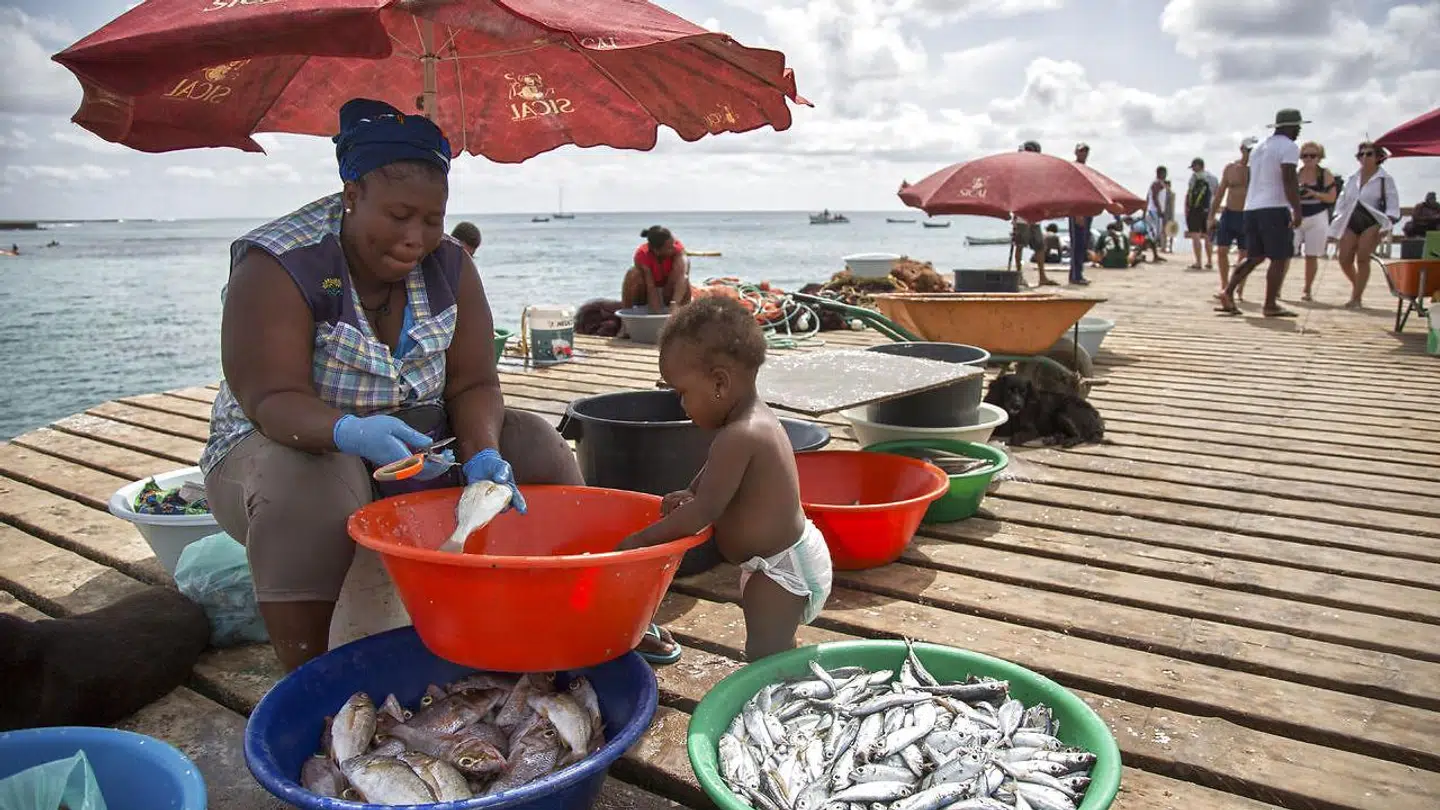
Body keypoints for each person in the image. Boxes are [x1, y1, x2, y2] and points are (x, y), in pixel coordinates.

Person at [199, 98, 588, 673]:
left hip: (417, 452)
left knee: (534, 442)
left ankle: (580, 614)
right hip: (285, 448)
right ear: (352, 193)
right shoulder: (280, 263)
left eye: (432, 219)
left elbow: (475, 383)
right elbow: (271, 398)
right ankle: (313, 676)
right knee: (311, 482)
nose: (415, 237)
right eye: (399, 215)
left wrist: (483, 453)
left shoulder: (450, 265)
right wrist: (348, 432)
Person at [618, 298, 832, 662]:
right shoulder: (746, 424)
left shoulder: (742, 433)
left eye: (682, 393)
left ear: (719, 382)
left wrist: (638, 542)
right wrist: (692, 489)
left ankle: (783, 682)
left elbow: (704, 512)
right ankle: (786, 664)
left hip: (782, 570)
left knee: (764, 653)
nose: (681, 405)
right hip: (774, 561)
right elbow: (713, 476)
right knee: (773, 645)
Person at [1216, 109, 1307, 318]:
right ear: (1289, 127)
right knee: (1279, 257)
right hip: (1274, 207)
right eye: (1297, 126)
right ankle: (1270, 304)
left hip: (1252, 208)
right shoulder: (1289, 147)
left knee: (1254, 256)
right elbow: (1289, 179)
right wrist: (1297, 209)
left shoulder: (1258, 148)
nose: (1299, 130)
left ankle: (1228, 291)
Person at [1328, 141, 1401, 309]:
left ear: (1378, 157)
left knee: (1362, 258)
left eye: (1369, 154)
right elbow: (1342, 200)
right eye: (1361, 154)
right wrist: (1337, 218)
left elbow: (1393, 203)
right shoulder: (1352, 178)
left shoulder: (1385, 179)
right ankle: (1357, 285)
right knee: (1344, 258)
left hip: (1373, 221)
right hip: (1350, 219)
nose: (1365, 157)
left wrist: (1387, 224)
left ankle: (1356, 298)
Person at [1209, 137, 1257, 298]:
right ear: (1242, 149)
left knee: (1245, 254)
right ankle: (1224, 286)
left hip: (1248, 214)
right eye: (1248, 150)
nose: (1250, 154)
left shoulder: (1259, 170)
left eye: (1253, 151)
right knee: (1222, 250)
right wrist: (1211, 216)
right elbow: (1220, 192)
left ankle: (1238, 288)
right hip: (1230, 213)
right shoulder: (1231, 168)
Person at [1294, 142, 1340, 301]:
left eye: (1312, 156)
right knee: (1286, 252)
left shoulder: (1325, 174)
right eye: (1304, 155)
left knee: (1311, 255)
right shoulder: (1296, 174)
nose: (1308, 159)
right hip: (1297, 215)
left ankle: (1307, 289)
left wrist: (1314, 193)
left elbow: (1332, 197)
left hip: (1317, 215)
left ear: (1319, 157)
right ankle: (1277, 288)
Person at [623, 226, 692, 313]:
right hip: (648, 293)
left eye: (673, 244)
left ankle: (684, 313)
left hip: (669, 292)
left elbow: (682, 276)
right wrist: (657, 313)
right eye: (669, 248)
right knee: (633, 273)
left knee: (685, 270)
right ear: (656, 250)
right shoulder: (642, 254)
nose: (674, 248)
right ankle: (626, 313)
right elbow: (651, 286)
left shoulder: (676, 247)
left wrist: (674, 303)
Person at [1185, 158, 1218, 270]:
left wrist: (1188, 210)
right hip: (1208, 210)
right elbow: (1217, 194)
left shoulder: (1194, 178)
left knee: (1195, 236)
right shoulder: (1213, 178)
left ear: (1198, 166)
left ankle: (1198, 262)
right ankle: (1209, 261)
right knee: (1207, 236)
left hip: (1195, 210)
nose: (1193, 169)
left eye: (1193, 167)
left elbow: (1189, 195)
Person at [1068, 142, 1093, 286]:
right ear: (1076, 152)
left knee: (1083, 243)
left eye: (1085, 151)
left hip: (1087, 210)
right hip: (1078, 210)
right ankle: (1075, 276)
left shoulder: (1087, 170)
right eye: (1081, 151)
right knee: (1077, 243)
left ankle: (1078, 273)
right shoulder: (1074, 169)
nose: (1083, 154)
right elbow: (1073, 192)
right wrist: (1077, 213)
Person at [1146, 167, 1170, 259]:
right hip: (1154, 211)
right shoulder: (1157, 183)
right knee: (1153, 234)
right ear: (1159, 173)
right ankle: (1142, 252)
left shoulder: (1159, 184)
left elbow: (1148, 197)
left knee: (1154, 234)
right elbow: (1155, 197)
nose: (1165, 175)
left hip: (1154, 211)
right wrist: (1159, 210)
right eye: (1164, 173)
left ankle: (1155, 254)